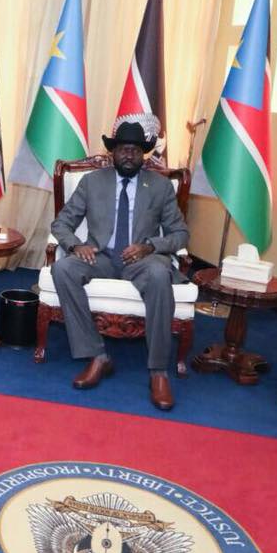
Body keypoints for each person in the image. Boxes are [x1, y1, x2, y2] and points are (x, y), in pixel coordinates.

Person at [49, 121, 189, 410]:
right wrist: (75, 246)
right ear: (112, 153)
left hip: (141, 259)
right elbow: (61, 223)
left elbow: (180, 234)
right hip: (100, 256)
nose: (128, 155)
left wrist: (150, 246)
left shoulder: (160, 186)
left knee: (160, 274)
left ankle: (158, 372)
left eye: (135, 150)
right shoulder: (92, 182)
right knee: (63, 269)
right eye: (123, 149)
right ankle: (97, 356)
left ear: (143, 155)